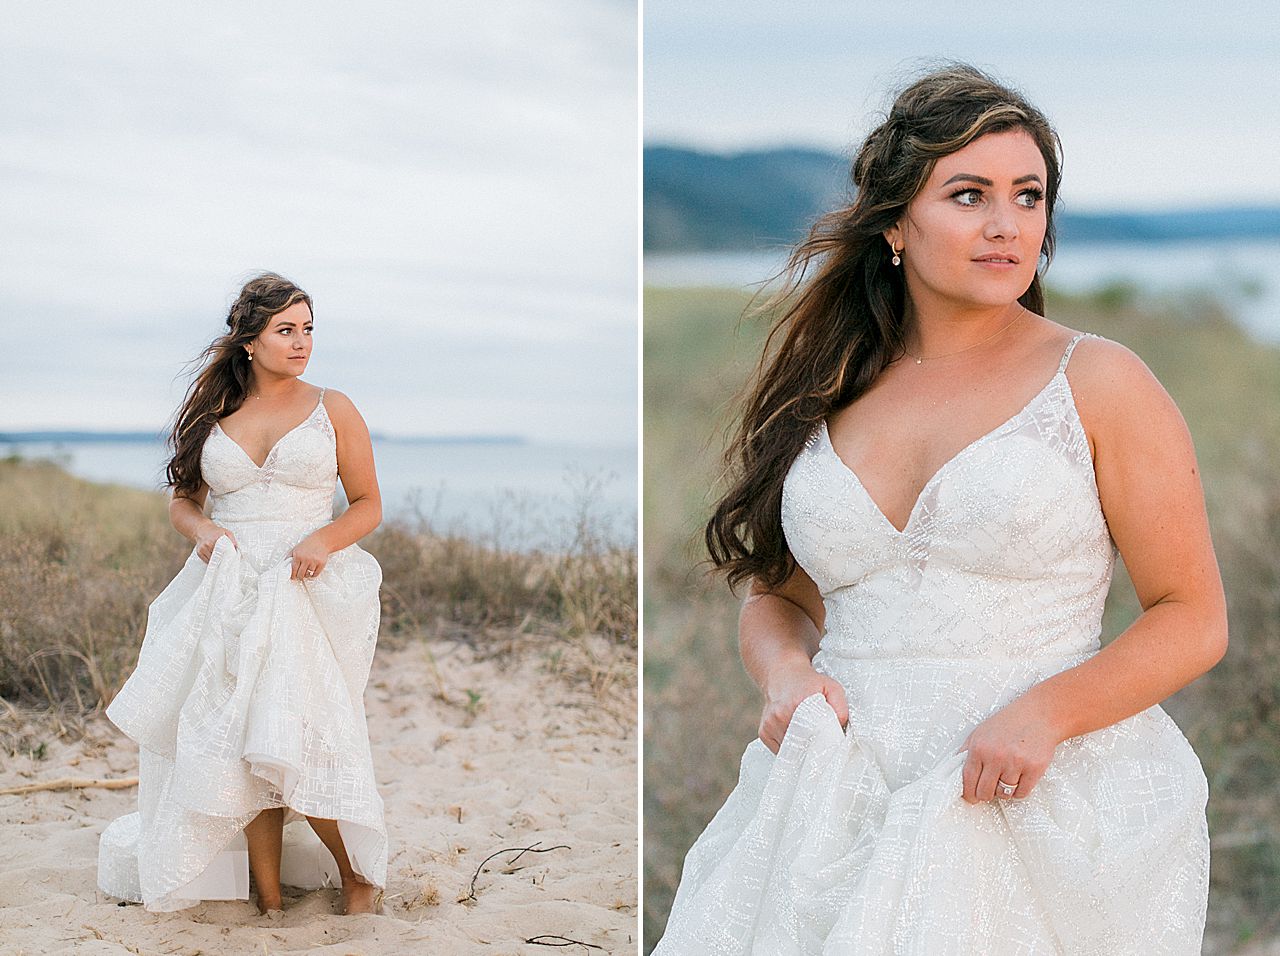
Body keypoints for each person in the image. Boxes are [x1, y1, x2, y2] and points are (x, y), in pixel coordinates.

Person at [654, 64, 1227, 955]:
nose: (1007, 225)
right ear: (894, 223)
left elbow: (1192, 617)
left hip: (1025, 796)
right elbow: (779, 599)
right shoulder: (827, 393)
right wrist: (784, 678)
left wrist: (1048, 714)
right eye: (969, 195)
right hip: (830, 797)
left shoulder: (1101, 381)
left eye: (1029, 197)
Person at [97, 273, 388, 915]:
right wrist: (202, 532)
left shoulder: (332, 407)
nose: (301, 342)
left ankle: (358, 877)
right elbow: (183, 503)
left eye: (308, 329)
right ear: (250, 341)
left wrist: (323, 541)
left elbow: (368, 506)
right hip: (227, 586)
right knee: (238, 738)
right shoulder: (213, 414)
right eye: (286, 330)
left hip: (302, 585)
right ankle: (269, 894)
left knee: (299, 728)